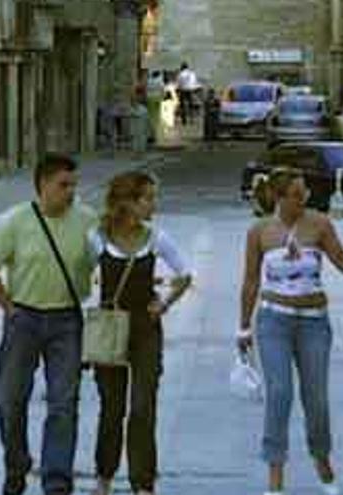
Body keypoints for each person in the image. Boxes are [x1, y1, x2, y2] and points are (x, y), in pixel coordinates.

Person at [238, 168, 343, 495]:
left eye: (305, 194)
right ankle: (275, 474)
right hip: (274, 319)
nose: (304, 200)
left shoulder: (319, 224)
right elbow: (250, 281)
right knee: (280, 393)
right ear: (279, 197)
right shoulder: (260, 231)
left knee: (315, 398)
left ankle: (321, 458)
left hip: (314, 320)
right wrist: (243, 327)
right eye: (297, 195)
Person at [0, 153, 98, 495]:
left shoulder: (87, 221)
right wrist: (8, 307)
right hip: (24, 320)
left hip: (67, 321)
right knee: (9, 399)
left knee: (63, 402)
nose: (71, 192)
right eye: (63, 185)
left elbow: (105, 260)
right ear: (43, 185)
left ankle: (56, 479)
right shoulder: (15, 221)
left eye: (74, 185)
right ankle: (16, 464)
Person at [88, 171, 193, 495]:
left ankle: (143, 483)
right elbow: (79, 276)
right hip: (110, 327)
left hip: (146, 329)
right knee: (112, 407)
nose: (153, 205)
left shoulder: (156, 237)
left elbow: (185, 273)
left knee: (143, 406)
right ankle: (104, 477)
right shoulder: (99, 238)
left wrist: (165, 303)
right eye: (147, 198)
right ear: (126, 202)